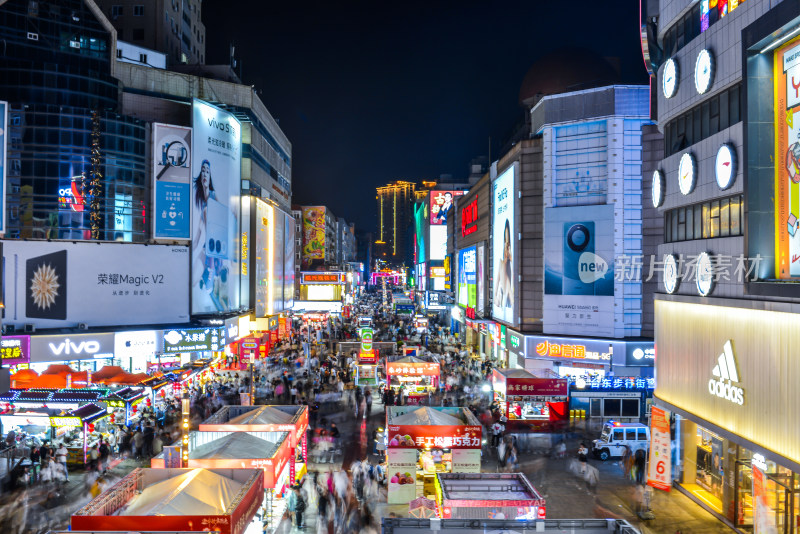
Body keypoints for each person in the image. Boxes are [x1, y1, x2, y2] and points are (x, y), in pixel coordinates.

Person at [494, 219, 515, 310]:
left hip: (512, 298)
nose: (507, 248)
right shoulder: (501, 263)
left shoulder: (513, 263)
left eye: (508, 244)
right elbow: (496, 285)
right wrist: (496, 297)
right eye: (505, 244)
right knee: (502, 264)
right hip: (505, 299)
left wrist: (511, 260)